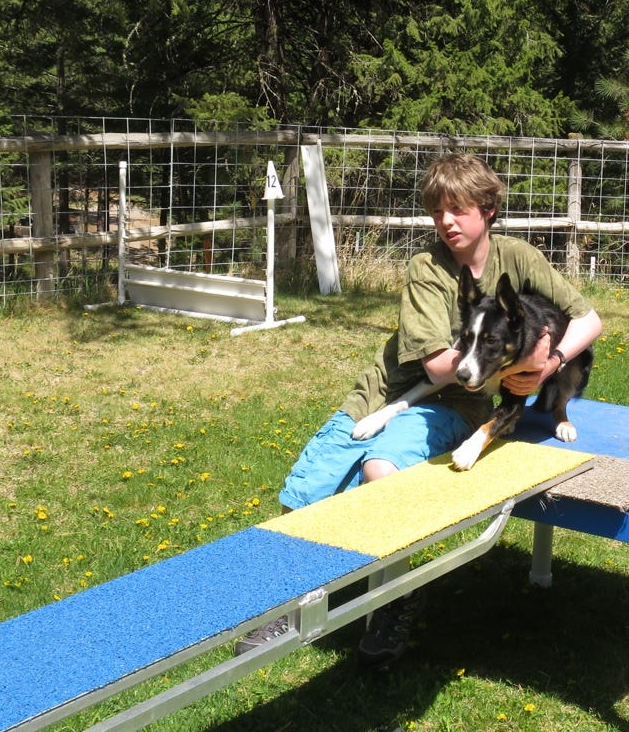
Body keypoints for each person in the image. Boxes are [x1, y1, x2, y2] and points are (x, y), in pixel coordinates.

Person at [235, 152, 602, 667]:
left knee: (380, 470)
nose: (446, 222)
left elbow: (589, 320)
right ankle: (288, 603)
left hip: (458, 404)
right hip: (385, 394)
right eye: (436, 212)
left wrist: (548, 365)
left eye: (458, 210)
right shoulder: (426, 269)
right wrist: (515, 359)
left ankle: (395, 596)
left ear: (488, 210)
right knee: (307, 493)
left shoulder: (519, 258)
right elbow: (436, 366)